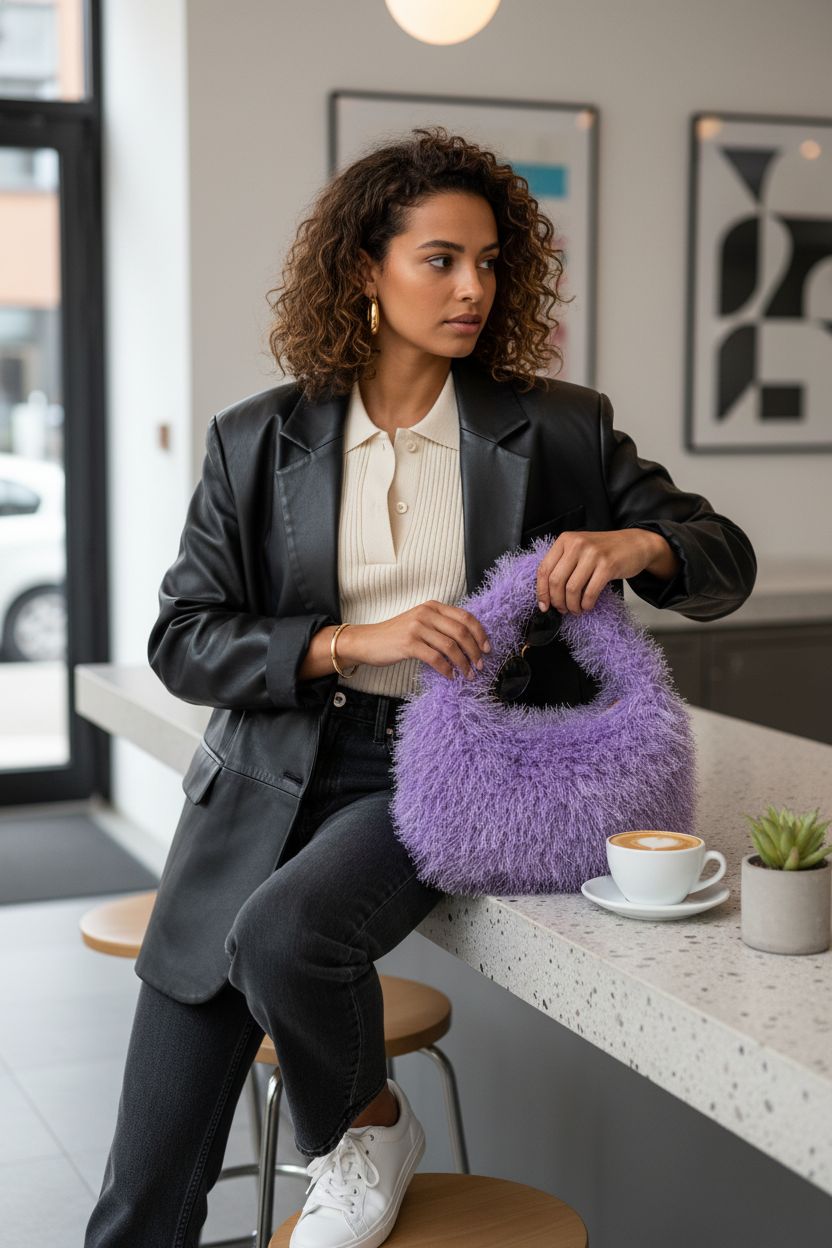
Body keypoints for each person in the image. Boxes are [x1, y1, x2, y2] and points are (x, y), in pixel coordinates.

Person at [84, 125, 756, 1248]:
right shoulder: (258, 440)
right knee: (137, 1203)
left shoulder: (556, 427)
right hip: (258, 781)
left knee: (287, 938)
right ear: (365, 268)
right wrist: (348, 640)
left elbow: (717, 553)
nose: (473, 287)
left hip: (434, 769)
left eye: (490, 261)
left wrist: (640, 547)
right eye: (440, 259)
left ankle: (369, 1130)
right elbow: (185, 639)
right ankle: (352, 1133)